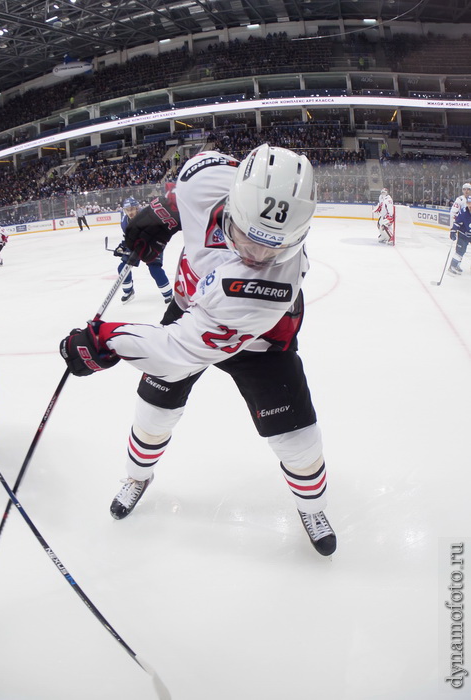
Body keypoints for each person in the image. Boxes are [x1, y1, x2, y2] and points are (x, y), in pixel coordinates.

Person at [60, 144, 336, 557]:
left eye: (275, 248)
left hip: (260, 343)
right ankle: (138, 476)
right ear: (233, 203)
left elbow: (178, 350)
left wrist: (105, 339)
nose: (257, 256)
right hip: (191, 309)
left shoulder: (270, 286)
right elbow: (196, 180)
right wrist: (166, 212)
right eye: (247, 237)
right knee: (152, 415)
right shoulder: (204, 178)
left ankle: (312, 507)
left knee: (299, 445)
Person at [113, 197, 173, 304]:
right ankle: (129, 291)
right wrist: (122, 246)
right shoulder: (125, 222)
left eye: (132, 209)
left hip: (154, 242)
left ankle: (168, 294)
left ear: (137, 208)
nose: (130, 212)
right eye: (127, 210)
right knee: (123, 267)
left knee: (154, 268)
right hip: (137, 243)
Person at [448, 195, 471, 275]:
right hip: (463, 234)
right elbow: (457, 223)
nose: (470, 205)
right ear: (467, 203)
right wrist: (453, 231)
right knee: (460, 251)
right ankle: (452, 266)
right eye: (469, 203)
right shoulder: (463, 212)